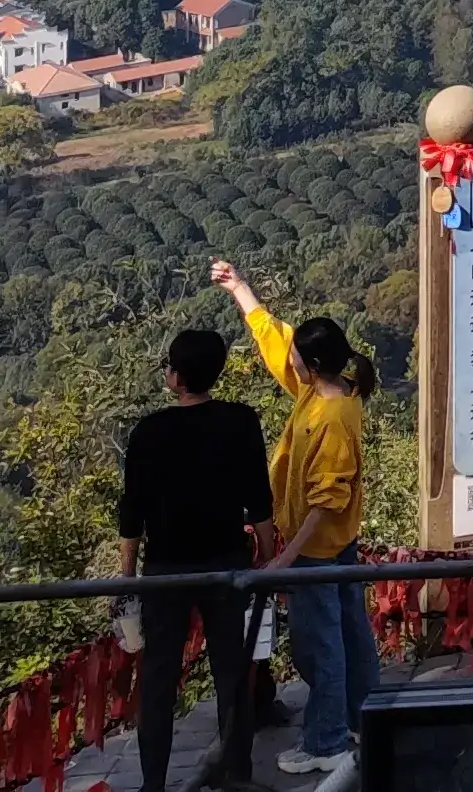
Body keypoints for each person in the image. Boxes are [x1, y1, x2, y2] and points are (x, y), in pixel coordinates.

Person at [208, 258, 375, 789]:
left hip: (318, 549)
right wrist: (241, 290)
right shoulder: (327, 391)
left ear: (315, 363)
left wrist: (286, 556)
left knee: (319, 645)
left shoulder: (332, 419)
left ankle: (325, 741)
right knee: (350, 634)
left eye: (301, 356)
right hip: (333, 546)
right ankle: (360, 720)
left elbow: (327, 500)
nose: (292, 359)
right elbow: (274, 338)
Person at [113, 324, 270, 792]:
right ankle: (237, 775)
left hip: (165, 571)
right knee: (230, 672)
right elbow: (258, 497)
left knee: (159, 678)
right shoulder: (241, 421)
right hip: (227, 565)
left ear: (176, 377)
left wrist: (126, 575)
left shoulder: (149, 431)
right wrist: (265, 552)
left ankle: (153, 783)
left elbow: (132, 510)